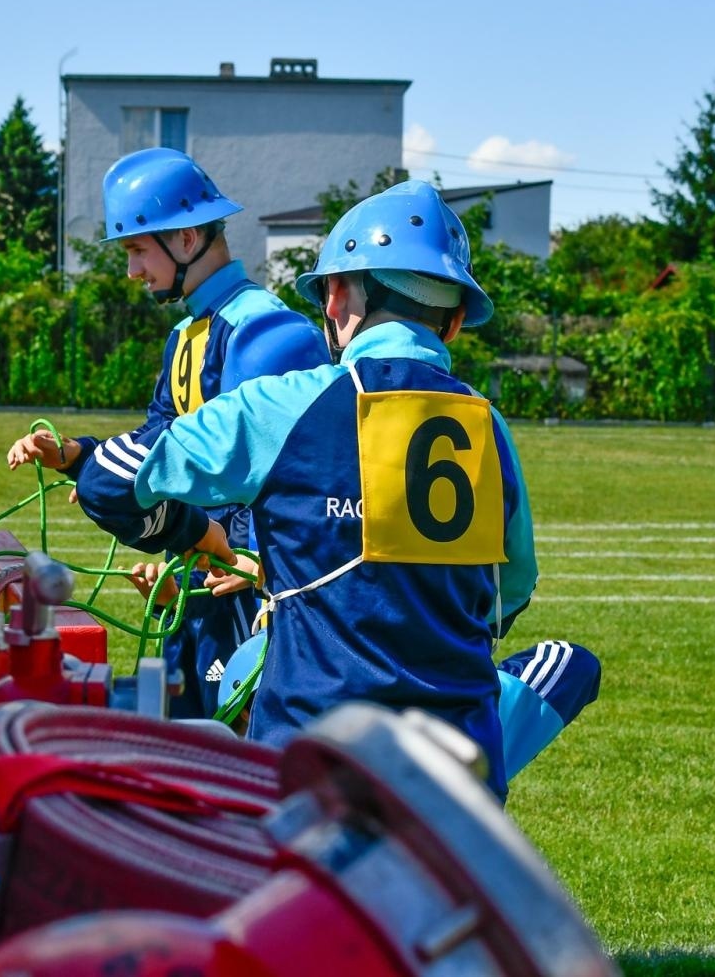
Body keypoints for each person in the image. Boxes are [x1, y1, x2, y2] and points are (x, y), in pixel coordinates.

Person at [73, 180, 599, 800]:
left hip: (308, 767)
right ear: (454, 320)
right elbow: (509, 595)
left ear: (338, 297)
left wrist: (197, 535)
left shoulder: (288, 402)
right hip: (459, 783)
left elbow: (109, 481)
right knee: (567, 666)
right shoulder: (490, 426)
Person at [6, 147, 328, 718]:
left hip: (251, 592)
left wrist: (253, 561)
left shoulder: (266, 330)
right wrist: (79, 456)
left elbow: (284, 466)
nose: (131, 271)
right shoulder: (186, 333)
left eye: (136, 250)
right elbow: (164, 436)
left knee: (241, 764)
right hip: (202, 577)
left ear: (186, 238)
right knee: (178, 743)